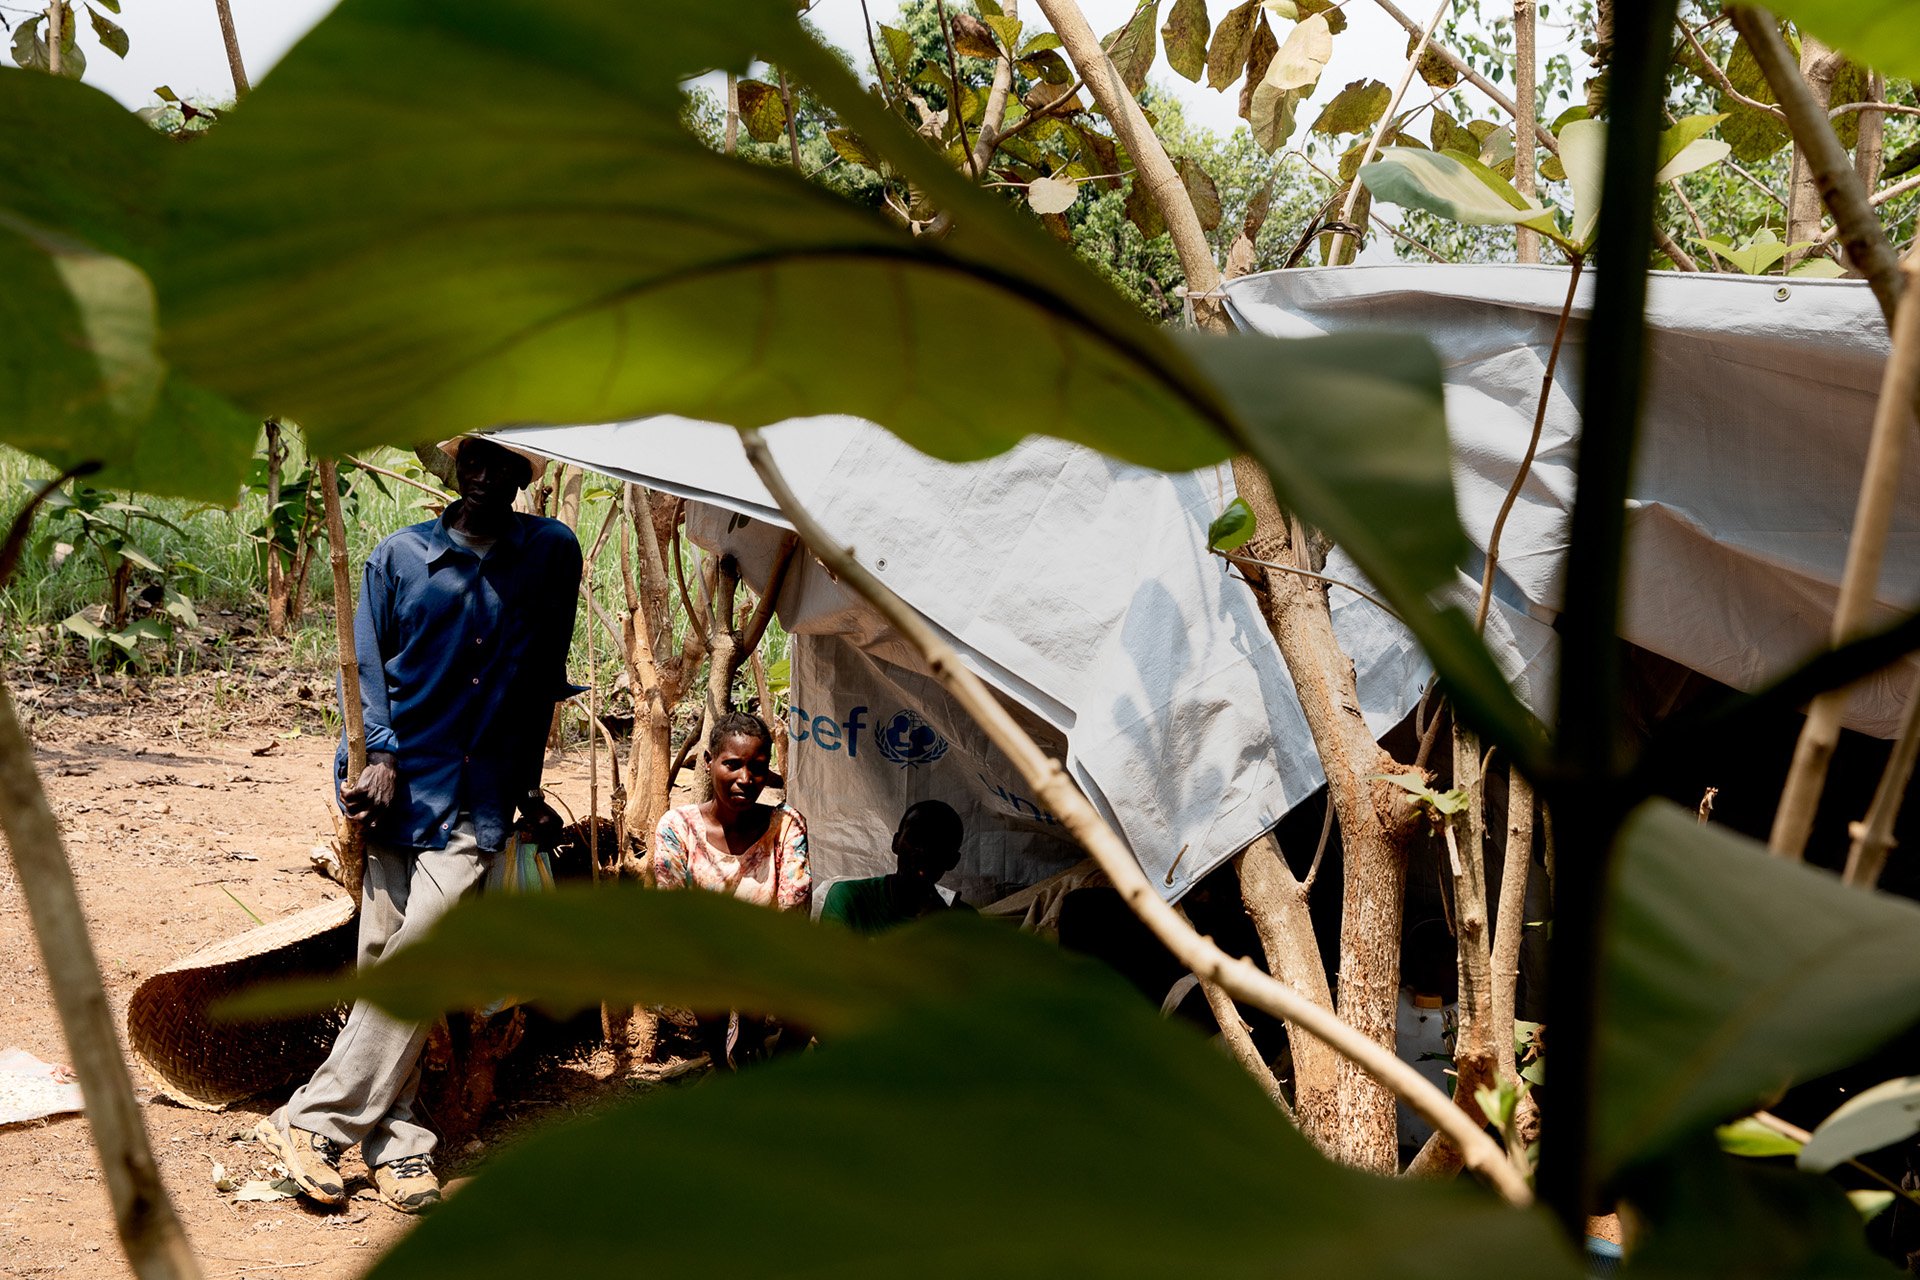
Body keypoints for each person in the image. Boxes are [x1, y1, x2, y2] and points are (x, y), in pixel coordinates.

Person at [254, 435, 581, 1214]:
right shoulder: (398, 557)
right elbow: (367, 670)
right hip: (396, 779)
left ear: (523, 477)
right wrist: (383, 757)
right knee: (383, 954)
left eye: (509, 465)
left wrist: (530, 782)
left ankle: (314, 1118)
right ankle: (397, 1141)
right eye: (477, 459)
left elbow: (543, 671)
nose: (489, 475)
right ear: (458, 466)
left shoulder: (547, 553)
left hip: (480, 789)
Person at [653, 712, 809, 1064]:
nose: (746, 779)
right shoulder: (678, 828)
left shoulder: (785, 825)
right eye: (733, 764)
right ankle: (725, 1063)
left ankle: (762, 1068)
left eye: (758, 767)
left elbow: (792, 913)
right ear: (708, 762)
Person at [820, 800, 971, 935]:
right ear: (896, 843)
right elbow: (829, 964)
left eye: (937, 846)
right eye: (914, 839)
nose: (922, 852)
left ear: (952, 861)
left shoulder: (963, 921)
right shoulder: (849, 899)